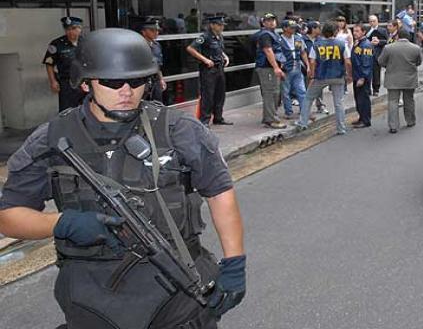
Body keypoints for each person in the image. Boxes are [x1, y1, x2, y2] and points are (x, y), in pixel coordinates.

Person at [0, 28, 246, 328]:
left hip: (179, 290)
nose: (126, 92)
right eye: (113, 82)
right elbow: (9, 215)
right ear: (86, 82)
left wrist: (235, 263)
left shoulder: (178, 129)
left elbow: (220, 191)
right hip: (92, 297)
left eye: (137, 80)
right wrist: (62, 222)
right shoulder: (52, 138)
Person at [296, 21, 352, 135]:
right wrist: (349, 75)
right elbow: (348, 62)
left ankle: (302, 123)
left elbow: (312, 61)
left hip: (321, 76)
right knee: (338, 103)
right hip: (337, 76)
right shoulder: (342, 44)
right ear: (335, 31)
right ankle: (341, 128)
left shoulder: (317, 44)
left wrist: (312, 75)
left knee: (308, 98)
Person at [186, 15, 233, 126]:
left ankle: (218, 117)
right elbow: (190, 48)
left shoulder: (219, 37)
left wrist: (225, 56)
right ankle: (204, 120)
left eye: (222, 25)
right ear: (212, 25)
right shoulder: (205, 36)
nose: (222, 27)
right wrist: (205, 60)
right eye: (219, 25)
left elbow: (219, 50)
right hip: (208, 70)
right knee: (208, 95)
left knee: (220, 94)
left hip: (219, 68)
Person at [378, 28, 423, 133]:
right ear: (408, 37)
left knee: (393, 101)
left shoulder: (388, 48)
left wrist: (389, 66)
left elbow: (381, 61)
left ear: (397, 36)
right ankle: (410, 121)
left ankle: (393, 126)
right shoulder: (416, 48)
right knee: (409, 100)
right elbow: (419, 62)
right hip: (409, 78)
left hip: (392, 78)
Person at [44, 16, 86, 112]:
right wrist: (53, 81)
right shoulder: (57, 44)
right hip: (67, 83)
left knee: (86, 109)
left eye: (74, 28)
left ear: (80, 28)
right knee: (67, 111)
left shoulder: (86, 42)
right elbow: (49, 63)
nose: (70, 32)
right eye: (67, 29)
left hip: (84, 82)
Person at [254, 13, 287, 129]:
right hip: (266, 68)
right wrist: (276, 67)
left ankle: (270, 117)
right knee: (270, 93)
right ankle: (271, 120)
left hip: (271, 68)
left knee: (275, 93)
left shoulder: (274, 34)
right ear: (263, 23)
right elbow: (268, 51)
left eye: (273, 20)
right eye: (267, 21)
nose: (271, 22)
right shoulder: (265, 35)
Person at [278, 19, 309, 120]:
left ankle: (304, 111)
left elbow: (303, 52)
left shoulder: (297, 38)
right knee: (285, 92)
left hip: (297, 67)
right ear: (285, 28)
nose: (293, 29)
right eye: (291, 27)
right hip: (286, 69)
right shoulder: (279, 40)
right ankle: (289, 112)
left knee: (302, 90)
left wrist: (307, 65)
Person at [303, 20, 330, 114]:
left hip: (318, 68)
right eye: (318, 27)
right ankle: (305, 109)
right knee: (306, 89)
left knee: (318, 88)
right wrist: (307, 66)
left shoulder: (321, 40)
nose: (320, 29)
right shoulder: (303, 39)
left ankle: (320, 106)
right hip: (306, 68)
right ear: (313, 29)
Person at [139, 18, 168, 102]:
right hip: (143, 81)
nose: (156, 33)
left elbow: (158, 65)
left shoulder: (157, 45)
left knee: (157, 104)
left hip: (155, 80)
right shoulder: (139, 46)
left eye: (157, 30)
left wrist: (161, 79)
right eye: (152, 30)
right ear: (144, 32)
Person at [351, 25, 375, 128]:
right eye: (354, 31)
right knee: (358, 98)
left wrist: (362, 77)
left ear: (363, 32)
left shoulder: (366, 45)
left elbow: (366, 62)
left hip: (362, 76)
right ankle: (361, 117)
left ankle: (366, 120)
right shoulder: (358, 43)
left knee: (363, 99)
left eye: (357, 31)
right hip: (357, 74)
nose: (354, 33)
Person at [366, 15, 389, 96]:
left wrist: (379, 42)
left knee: (376, 73)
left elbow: (387, 41)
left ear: (377, 21)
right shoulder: (367, 30)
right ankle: (367, 89)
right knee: (367, 73)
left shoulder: (382, 30)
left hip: (377, 54)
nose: (372, 23)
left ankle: (376, 89)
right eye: (371, 21)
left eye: (374, 21)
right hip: (367, 53)